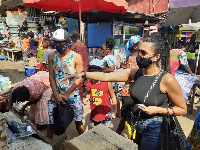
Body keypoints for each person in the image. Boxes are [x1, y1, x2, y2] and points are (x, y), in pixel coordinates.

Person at [67, 35, 187, 150]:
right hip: (137, 126)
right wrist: (83, 74)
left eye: (144, 53)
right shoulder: (137, 73)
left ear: (156, 57)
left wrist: (158, 110)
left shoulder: (167, 79)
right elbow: (106, 76)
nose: (139, 56)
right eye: (139, 51)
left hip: (154, 129)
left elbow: (182, 109)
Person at [47, 29, 85, 140]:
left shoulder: (76, 57)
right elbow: (51, 76)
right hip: (56, 95)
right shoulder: (51, 56)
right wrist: (56, 94)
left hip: (72, 96)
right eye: (56, 42)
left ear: (68, 41)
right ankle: (48, 145)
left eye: (61, 42)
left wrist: (68, 93)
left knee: (78, 122)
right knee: (51, 123)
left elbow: (80, 77)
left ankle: (84, 143)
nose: (58, 45)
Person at [116, 35, 140, 134]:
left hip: (131, 91)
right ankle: (117, 134)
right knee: (126, 117)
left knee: (128, 117)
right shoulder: (133, 59)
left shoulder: (131, 57)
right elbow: (132, 76)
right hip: (130, 93)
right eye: (140, 43)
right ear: (135, 46)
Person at [85, 59, 117, 128]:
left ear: (101, 71)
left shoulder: (107, 83)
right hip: (94, 114)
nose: (93, 73)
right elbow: (88, 93)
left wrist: (115, 111)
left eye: (95, 70)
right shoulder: (89, 83)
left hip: (105, 115)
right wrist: (87, 99)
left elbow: (113, 97)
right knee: (95, 133)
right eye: (91, 70)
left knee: (105, 134)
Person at [102, 37, 121, 117]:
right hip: (113, 79)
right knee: (115, 96)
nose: (102, 51)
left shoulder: (108, 58)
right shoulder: (112, 56)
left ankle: (114, 112)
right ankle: (118, 113)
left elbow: (112, 68)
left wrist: (102, 69)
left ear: (108, 49)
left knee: (111, 97)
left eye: (103, 49)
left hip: (110, 80)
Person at [70, 30, 89, 101]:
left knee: (77, 88)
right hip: (85, 68)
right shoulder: (83, 45)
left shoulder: (74, 46)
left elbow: (70, 58)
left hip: (77, 69)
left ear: (74, 37)